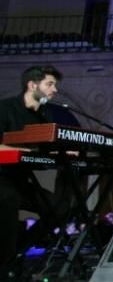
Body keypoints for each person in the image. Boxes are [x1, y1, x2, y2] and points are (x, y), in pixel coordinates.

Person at [0, 66, 69, 270]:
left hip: (21, 180)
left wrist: (63, 154)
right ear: (32, 85)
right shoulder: (5, 108)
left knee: (59, 209)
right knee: (8, 199)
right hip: (1, 177)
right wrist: (26, 153)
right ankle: (5, 264)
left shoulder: (44, 116)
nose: (54, 89)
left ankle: (17, 252)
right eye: (50, 84)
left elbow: (43, 150)